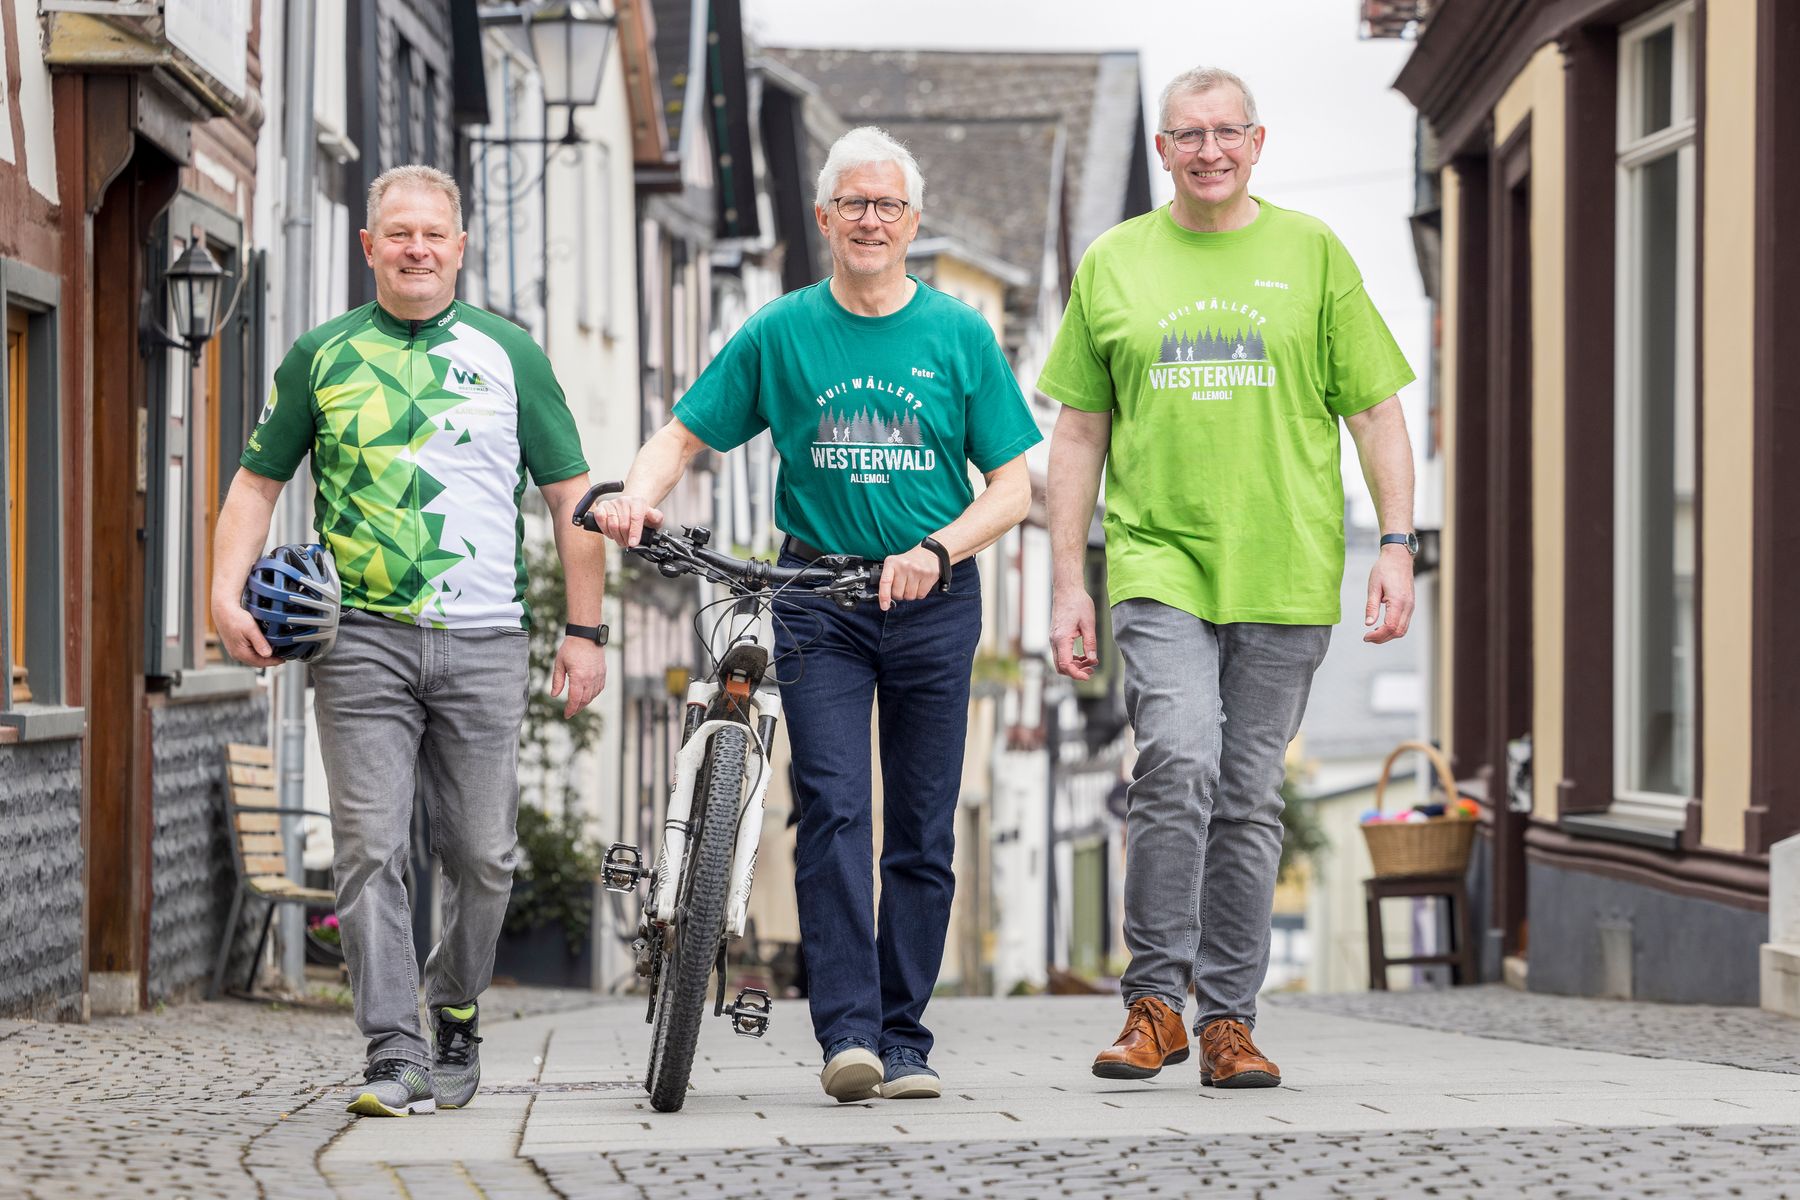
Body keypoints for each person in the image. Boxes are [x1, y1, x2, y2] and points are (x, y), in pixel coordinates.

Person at [593, 127, 1037, 1103]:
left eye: (888, 205)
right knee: (833, 804)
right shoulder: (781, 331)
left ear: (913, 223)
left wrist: (936, 550)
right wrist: (634, 493)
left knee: (921, 829)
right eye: (853, 204)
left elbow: (1013, 487)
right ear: (826, 218)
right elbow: (683, 434)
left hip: (932, 598)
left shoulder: (959, 335)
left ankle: (905, 1035)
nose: (870, 219)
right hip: (819, 598)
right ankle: (848, 1035)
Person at [1042, 67, 1417, 1090]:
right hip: (1157, 559)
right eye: (1187, 135)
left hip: (1287, 564)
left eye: (1226, 133)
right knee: (1179, 757)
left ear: (1258, 143)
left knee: (1250, 797)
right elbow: (1077, 430)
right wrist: (1068, 582)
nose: (1208, 150)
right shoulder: (1114, 262)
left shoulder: (1313, 254)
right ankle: (1155, 1002)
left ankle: (1228, 1023)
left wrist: (1396, 542)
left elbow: (1376, 411)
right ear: (1162, 151)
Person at [210, 164, 605, 1117]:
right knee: (368, 848)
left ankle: (455, 1001)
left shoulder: (513, 354)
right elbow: (256, 485)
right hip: (360, 642)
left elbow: (572, 500)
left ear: (460, 247)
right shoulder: (321, 356)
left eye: (434, 234)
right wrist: (225, 596)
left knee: (483, 855)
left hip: (485, 639)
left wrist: (586, 630)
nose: (417, 248)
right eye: (400, 234)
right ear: (370, 246)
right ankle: (392, 1049)